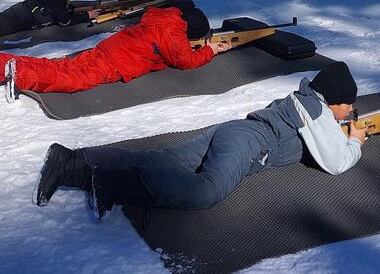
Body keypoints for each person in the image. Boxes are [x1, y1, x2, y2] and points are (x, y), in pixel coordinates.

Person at [33, 61, 368, 220]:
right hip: (247, 144)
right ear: (333, 99)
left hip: (232, 130)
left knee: (160, 160)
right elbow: (336, 162)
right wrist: (355, 141)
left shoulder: (304, 99)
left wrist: (339, 130)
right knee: (206, 191)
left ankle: (73, 161)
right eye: (348, 105)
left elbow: (316, 134)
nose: (350, 110)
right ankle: (108, 181)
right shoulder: (316, 108)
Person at [0, 6, 229, 99]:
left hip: (109, 48)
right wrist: (210, 50)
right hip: (117, 63)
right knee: (72, 80)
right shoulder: (174, 35)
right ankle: (18, 74)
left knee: (60, 65)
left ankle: (5, 63)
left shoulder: (165, 18)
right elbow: (185, 61)